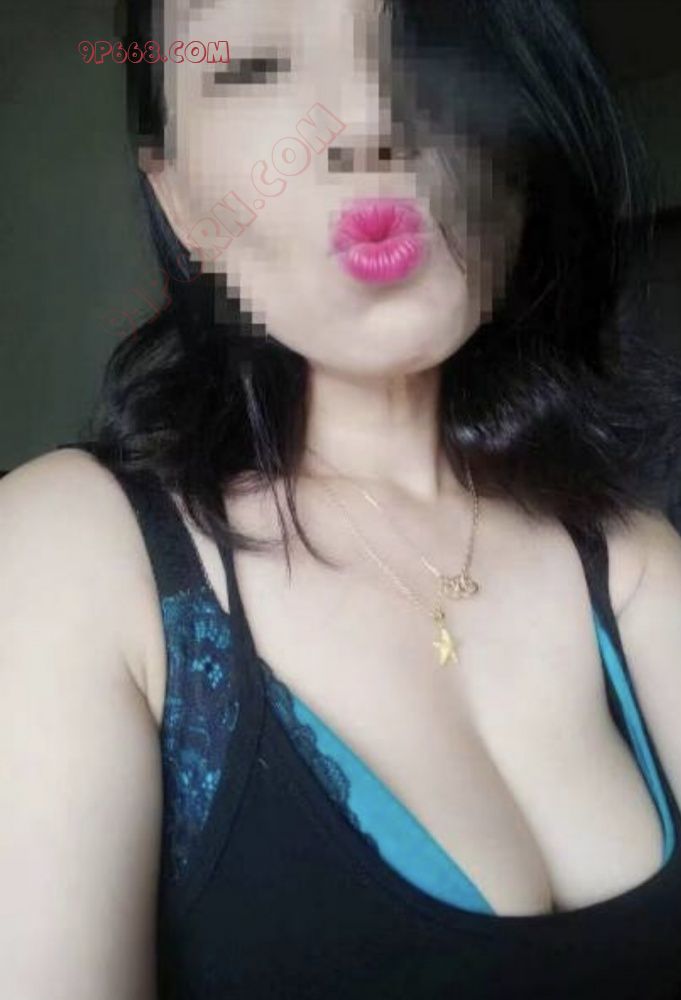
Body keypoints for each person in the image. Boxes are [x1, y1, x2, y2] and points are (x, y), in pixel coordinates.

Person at [2, 0, 681, 997]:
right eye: (253, 66)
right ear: (183, 205)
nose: (368, 119)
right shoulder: (65, 553)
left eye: (424, 39)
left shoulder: (627, 550)